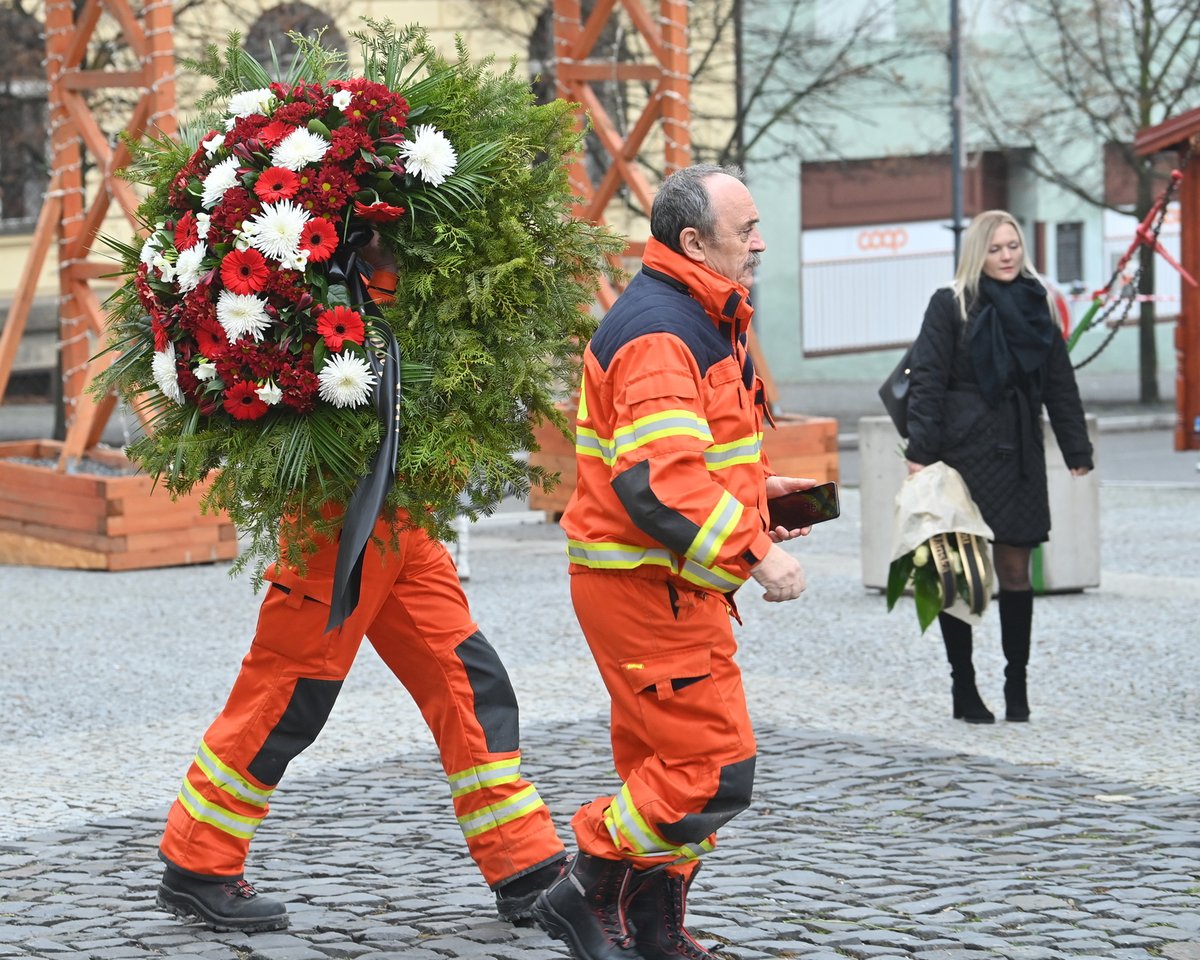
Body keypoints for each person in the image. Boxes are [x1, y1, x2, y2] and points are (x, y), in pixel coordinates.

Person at [154, 256, 566, 933]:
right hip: (337, 512)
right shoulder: (330, 259)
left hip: (404, 512)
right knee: (288, 695)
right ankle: (198, 861)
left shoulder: (424, 251)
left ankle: (525, 864)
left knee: (468, 679)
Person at [532, 164, 812, 960]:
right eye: (745, 230)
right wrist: (755, 550)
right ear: (693, 240)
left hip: (662, 584)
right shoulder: (664, 330)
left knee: (668, 764)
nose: (759, 242)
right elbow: (659, 482)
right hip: (648, 588)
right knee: (710, 772)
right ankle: (584, 887)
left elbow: (693, 460)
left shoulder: (695, 313)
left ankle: (654, 932)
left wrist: (760, 492)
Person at [904, 210, 1093, 724]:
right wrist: (919, 454)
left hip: (1019, 453)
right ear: (977, 253)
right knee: (957, 575)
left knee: (1015, 570)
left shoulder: (1038, 304)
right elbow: (926, 381)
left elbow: (1059, 380)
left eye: (1013, 246)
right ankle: (963, 688)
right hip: (959, 454)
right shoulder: (951, 303)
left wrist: (1077, 450)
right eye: (996, 248)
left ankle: (1017, 685)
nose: (1007, 256)